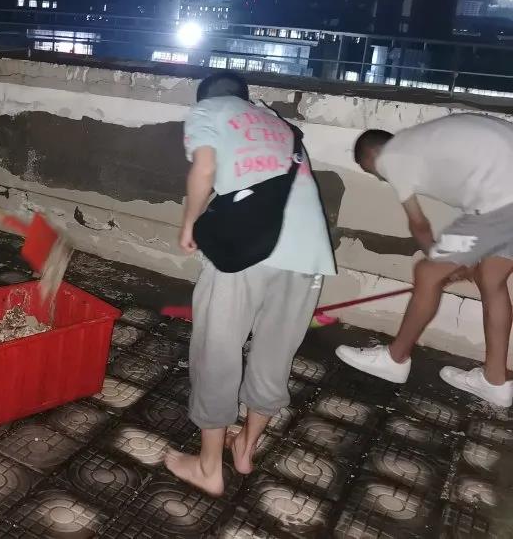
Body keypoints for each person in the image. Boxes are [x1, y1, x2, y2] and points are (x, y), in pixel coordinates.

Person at [168, 71, 336, 496]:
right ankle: (245, 447)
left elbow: (205, 168)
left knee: (217, 349)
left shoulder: (207, 110)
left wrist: (189, 223)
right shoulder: (279, 124)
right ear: (247, 96)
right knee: (276, 350)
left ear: (204, 97)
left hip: (248, 250)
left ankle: (208, 467)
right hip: (309, 252)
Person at [337, 114, 513, 407]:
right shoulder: (425, 144)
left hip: (502, 199)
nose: (380, 178)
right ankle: (495, 381)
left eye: (373, 172)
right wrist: (463, 259)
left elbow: (419, 225)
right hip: (501, 196)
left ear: (373, 155)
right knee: (491, 278)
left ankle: (395, 359)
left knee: (427, 273)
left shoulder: (393, 156)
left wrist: (439, 262)